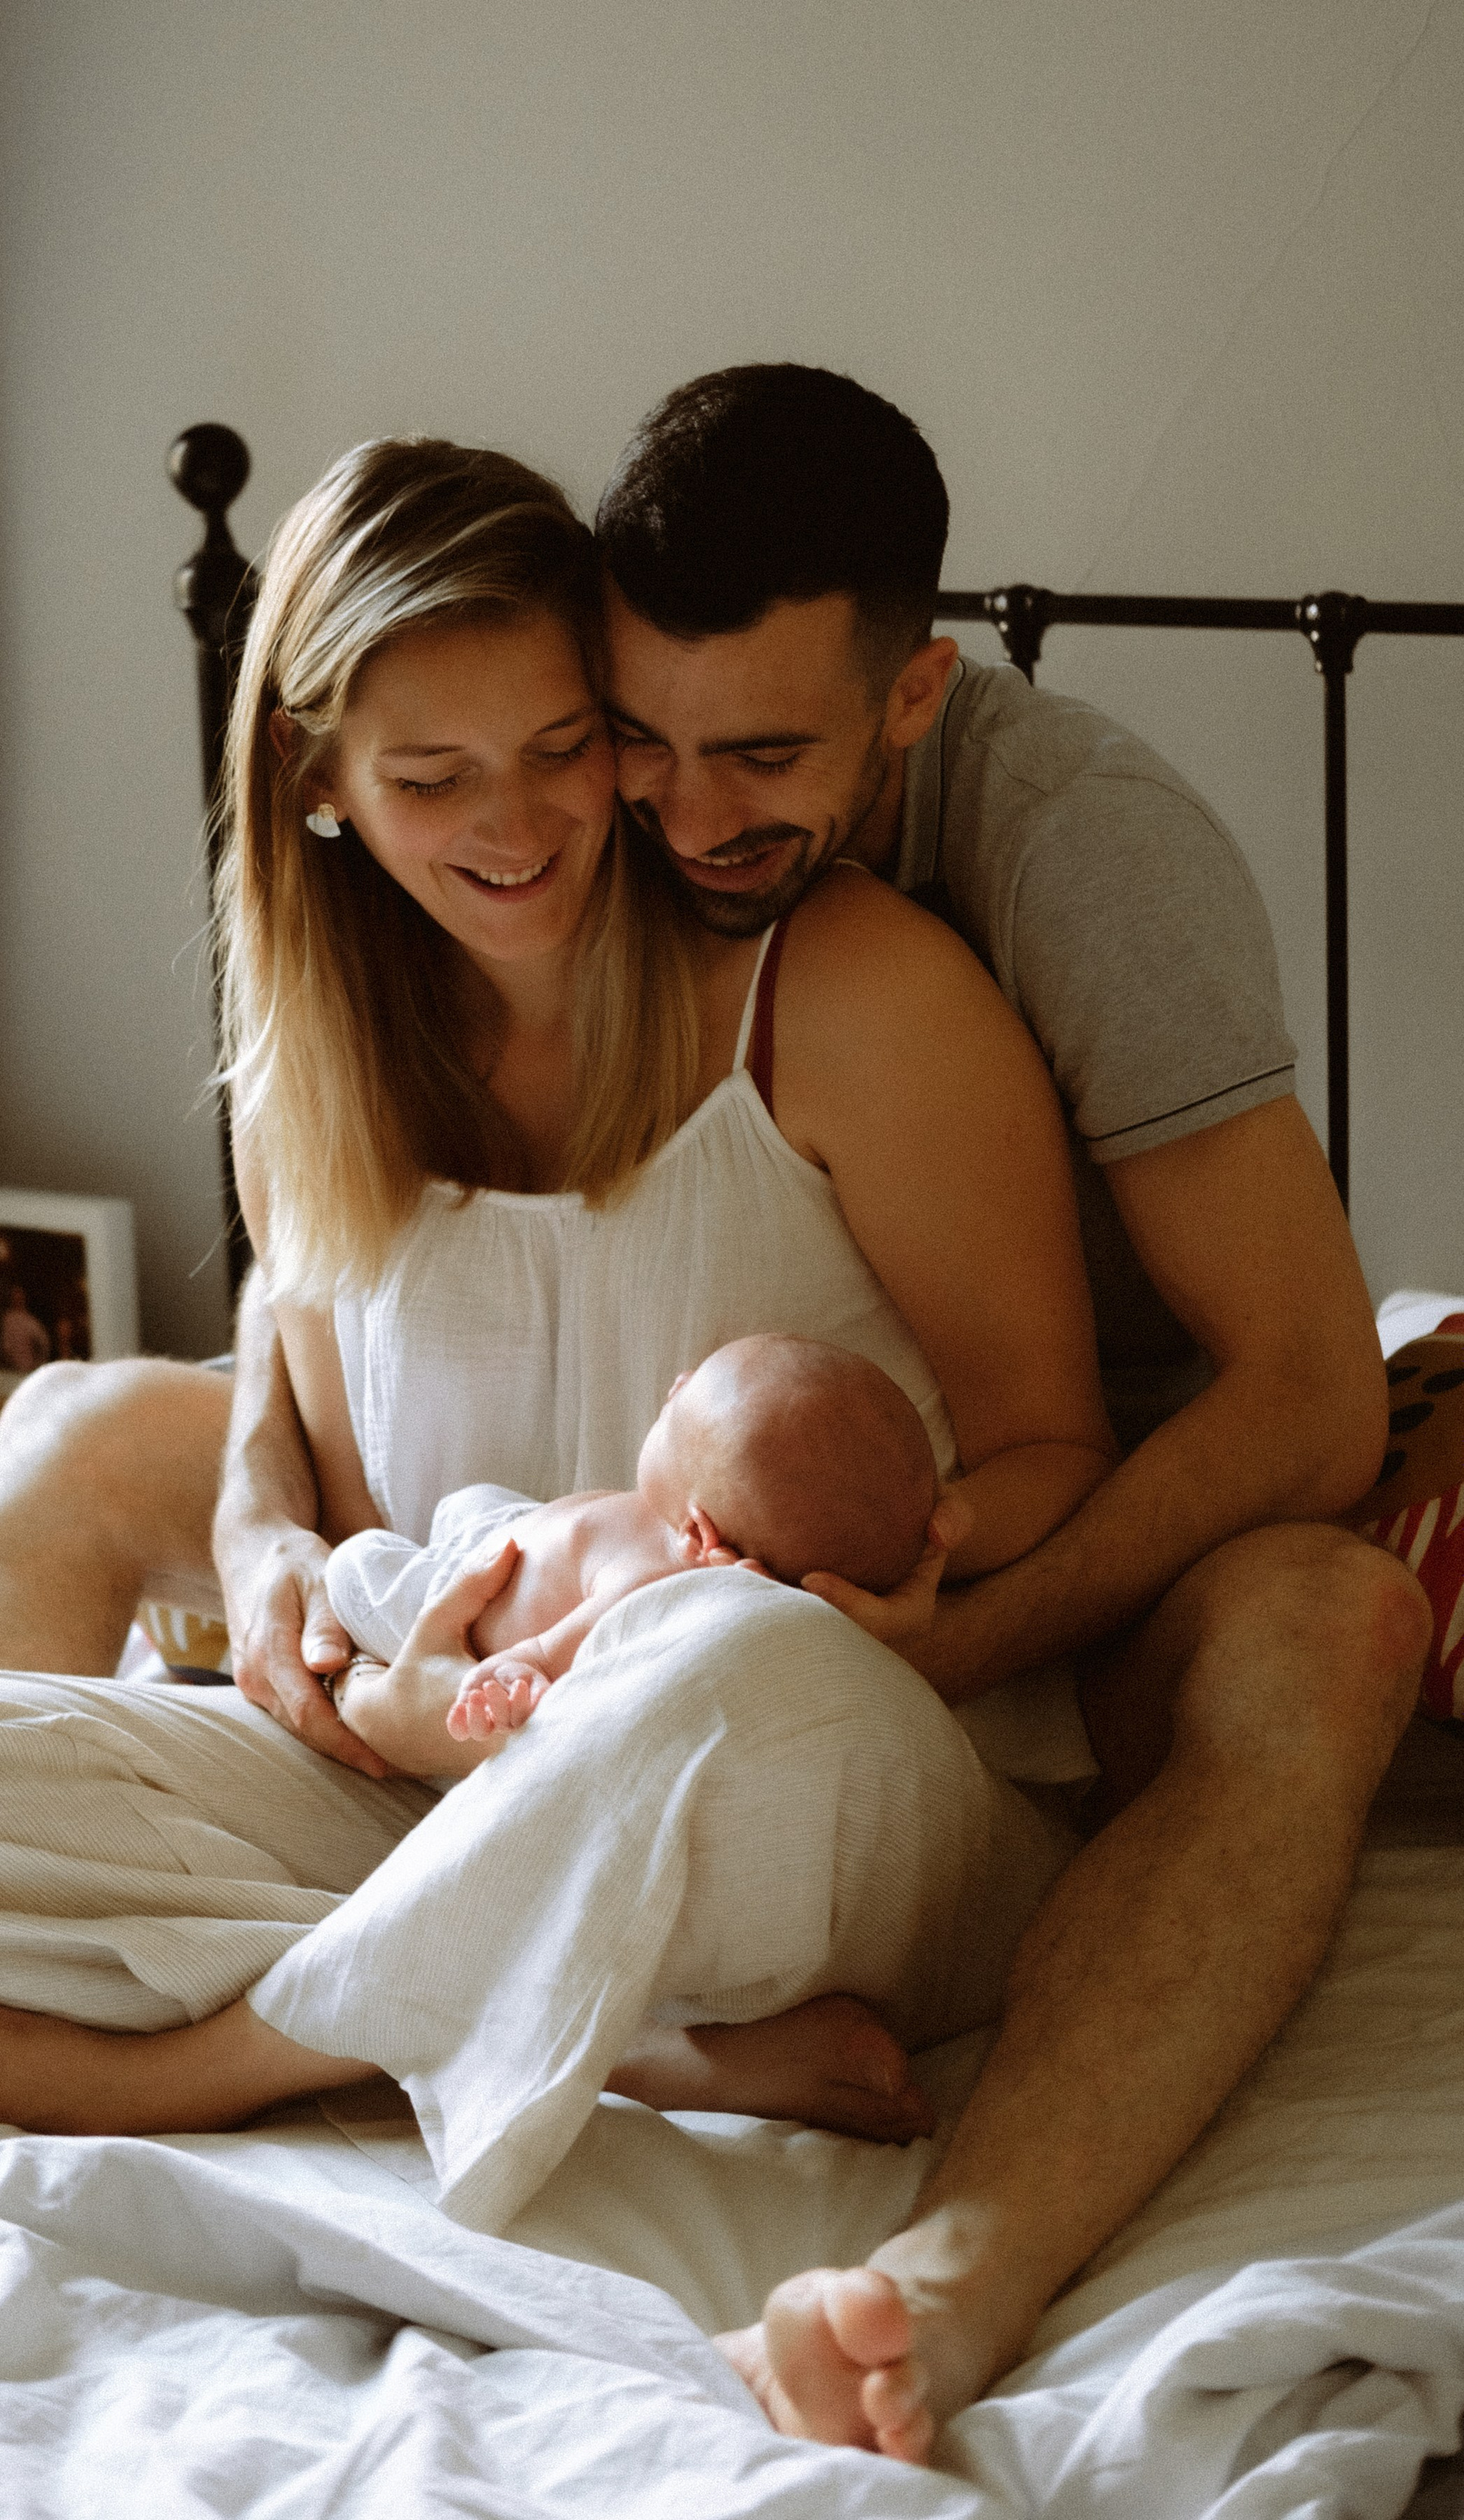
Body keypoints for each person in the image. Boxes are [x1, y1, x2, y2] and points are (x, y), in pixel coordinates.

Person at [0, 434, 1114, 2241]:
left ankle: (182, 2065)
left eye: (562, 746)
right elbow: (289, 1400)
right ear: (316, 781)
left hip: (800, 1781)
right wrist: (265, 1549)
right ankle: (632, 2042)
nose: (519, 822)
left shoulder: (847, 1000)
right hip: (438, 1772)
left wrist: (890, 1590)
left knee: (701, 1654)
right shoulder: (310, 1073)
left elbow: (1054, 1448)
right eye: (432, 774)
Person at [578, 362, 1427, 2459]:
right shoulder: (556, 795)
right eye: (647, 745)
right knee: (108, 1432)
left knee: (1333, 1621)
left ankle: (945, 2278)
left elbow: (1313, 1399)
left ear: (916, 698)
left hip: (1076, 1539)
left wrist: (967, 1632)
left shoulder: (1089, 859)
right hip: (696, 1470)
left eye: (762, 755)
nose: (688, 821)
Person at [323, 1333, 952, 1745]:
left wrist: (512, 1675)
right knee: (471, 1503)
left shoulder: (651, 1586)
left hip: (461, 1608)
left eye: (676, 1412)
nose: (676, 1382)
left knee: (354, 1565)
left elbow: (546, 1653)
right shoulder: (683, 1527)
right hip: (508, 1533)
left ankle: (369, 1629)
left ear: (699, 1531)